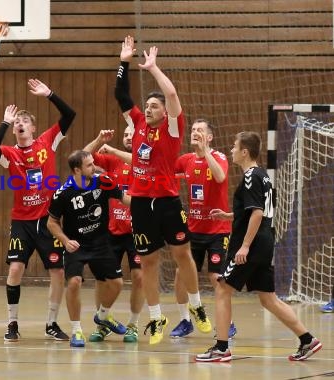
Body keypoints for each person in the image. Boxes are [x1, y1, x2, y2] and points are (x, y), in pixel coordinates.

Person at [114, 35, 211, 345]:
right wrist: (123, 61)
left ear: (163, 111)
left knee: (183, 254)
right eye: (148, 105)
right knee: (148, 262)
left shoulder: (172, 128)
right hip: (141, 204)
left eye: (154, 106)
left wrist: (153, 67)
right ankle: (156, 317)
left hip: (168, 201)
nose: (149, 108)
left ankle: (196, 307)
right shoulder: (139, 123)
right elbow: (120, 94)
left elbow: (170, 92)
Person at [196, 131, 322, 362]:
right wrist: (229, 215)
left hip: (251, 244)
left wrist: (244, 246)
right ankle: (307, 340)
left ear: (245, 152)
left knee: (223, 288)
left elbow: (257, 212)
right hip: (264, 242)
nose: (232, 150)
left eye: (234, 146)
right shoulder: (263, 176)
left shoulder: (250, 177)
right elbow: (256, 210)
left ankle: (221, 348)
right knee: (268, 298)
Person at [0, 79, 76, 342]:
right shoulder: (9, 154)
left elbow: (69, 115)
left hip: (48, 221)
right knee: (15, 269)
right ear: (14, 131)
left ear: (34, 128)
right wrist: (4, 122)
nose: (20, 124)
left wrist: (49, 93)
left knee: (57, 271)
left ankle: (51, 323)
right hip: (22, 221)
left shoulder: (48, 142)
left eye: (24, 121)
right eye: (17, 123)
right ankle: (12, 323)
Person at [47, 150, 130, 347]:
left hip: (101, 243)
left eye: (93, 163)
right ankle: (76, 331)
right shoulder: (63, 192)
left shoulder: (103, 181)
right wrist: (66, 241)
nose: (95, 167)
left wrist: (149, 203)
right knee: (74, 282)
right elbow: (52, 223)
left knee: (117, 283)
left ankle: (103, 316)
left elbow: (125, 199)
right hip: (77, 245)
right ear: (77, 170)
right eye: (89, 165)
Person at [170, 119, 236, 338]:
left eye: (200, 130)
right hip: (194, 228)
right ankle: (185, 321)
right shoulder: (185, 160)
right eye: (193, 130)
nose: (195, 133)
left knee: (216, 275)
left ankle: (229, 322)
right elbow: (165, 169)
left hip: (218, 229)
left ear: (209, 137)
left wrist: (205, 151)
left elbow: (220, 176)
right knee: (181, 274)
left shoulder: (219, 157)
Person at [83, 128, 145, 343]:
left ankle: (133, 324)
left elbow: (139, 161)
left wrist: (114, 150)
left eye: (132, 134)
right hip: (110, 230)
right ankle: (102, 323)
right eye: (125, 134)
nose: (128, 136)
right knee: (103, 279)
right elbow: (83, 157)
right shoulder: (111, 161)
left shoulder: (146, 161)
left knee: (139, 277)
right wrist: (99, 139)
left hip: (139, 231)